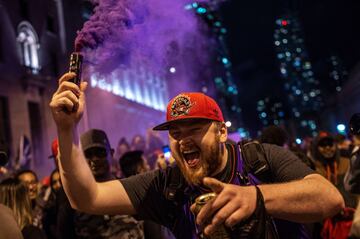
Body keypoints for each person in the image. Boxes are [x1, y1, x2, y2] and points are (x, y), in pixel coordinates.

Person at [50, 73, 344, 238]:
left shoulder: (259, 158)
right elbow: (86, 198)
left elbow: (330, 199)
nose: (183, 140)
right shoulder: (167, 186)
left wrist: (256, 198)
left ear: (221, 132)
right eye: (176, 133)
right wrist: (67, 130)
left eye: (194, 129)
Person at [57, 128, 144, 239]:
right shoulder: (73, 201)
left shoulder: (129, 189)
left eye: (100, 153)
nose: (95, 159)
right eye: (88, 154)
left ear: (111, 153)